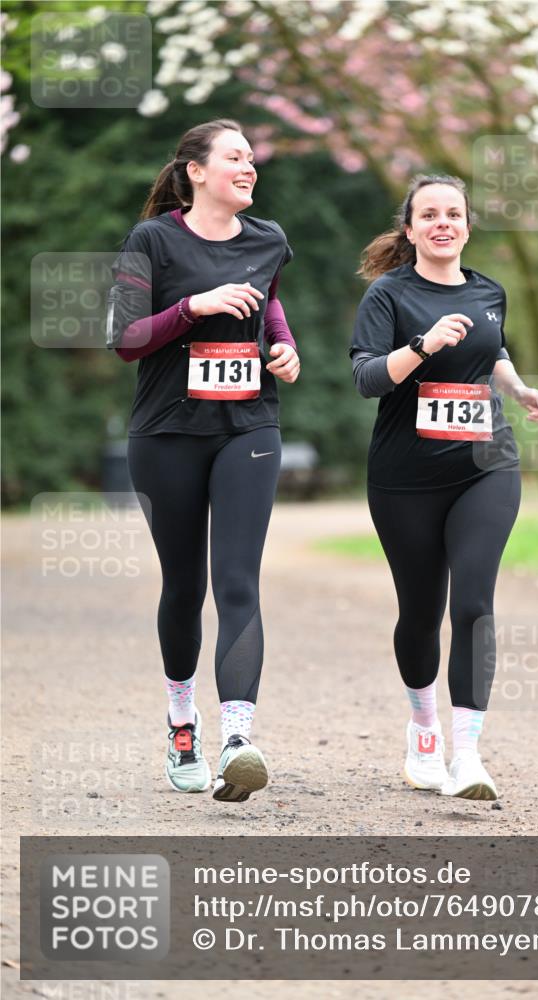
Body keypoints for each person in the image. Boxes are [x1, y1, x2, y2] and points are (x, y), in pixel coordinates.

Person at [106, 118, 300, 803]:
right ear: (196, 171)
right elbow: (124, 338)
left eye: (252, 158)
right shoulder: (153, 240)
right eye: (235, 157)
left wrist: (283, 347)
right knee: (185, 586)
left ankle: (239, 738)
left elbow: (268, 304)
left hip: (248, 423)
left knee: (239, 580)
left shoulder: (267, 239)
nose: (249, 167)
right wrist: (193, 305)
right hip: (167, 434)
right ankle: (182, 721)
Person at [350, 174, 538, 801]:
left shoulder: (490, 291)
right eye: (429, 214)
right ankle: (425, 728)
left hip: (484, 464)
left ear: (467, 225)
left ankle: (469, 755)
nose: (444, 223)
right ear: (409, 230)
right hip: (404, 478)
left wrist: (518, 390)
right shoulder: (389, 294)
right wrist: (422, 345)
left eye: (454, 214)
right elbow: (367, 377)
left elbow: (492, 351)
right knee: (420, 613)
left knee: (474, 604)